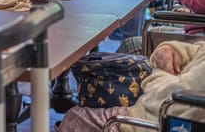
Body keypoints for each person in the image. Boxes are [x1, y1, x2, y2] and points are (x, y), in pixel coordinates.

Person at [57, 40, 205, 132]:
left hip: (163, 119)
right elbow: (199, 50)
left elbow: (171, 104)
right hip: (164, 97)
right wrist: (172, 49)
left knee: (75, 117)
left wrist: (157, 75)